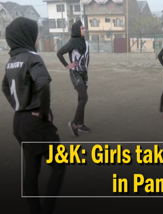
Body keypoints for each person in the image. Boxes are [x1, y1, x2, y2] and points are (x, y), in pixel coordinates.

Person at [2, 17, 65, 214]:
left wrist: (18, 106)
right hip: (36, 123)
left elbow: (4, 86)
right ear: (28, 36)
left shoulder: (12, 61)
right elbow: (43, 83)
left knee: (32, 168)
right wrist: (44, 112)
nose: (38, 37)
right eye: (36, 33)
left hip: (19, 123)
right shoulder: (32, 57)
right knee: (59, 166)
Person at [57, 20, 90, 137]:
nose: (85, 29)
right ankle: (74, 123)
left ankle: (81, 124)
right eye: (82, 28)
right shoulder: (72, 43)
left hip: (84, 74)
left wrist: (85, 71)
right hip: (75, 73)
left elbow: (87, 58)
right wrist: (67, 65)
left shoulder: (86, 43)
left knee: (81, 98)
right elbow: (59, 53)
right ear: (77, 30)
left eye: (84, 28)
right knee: (84, 97)